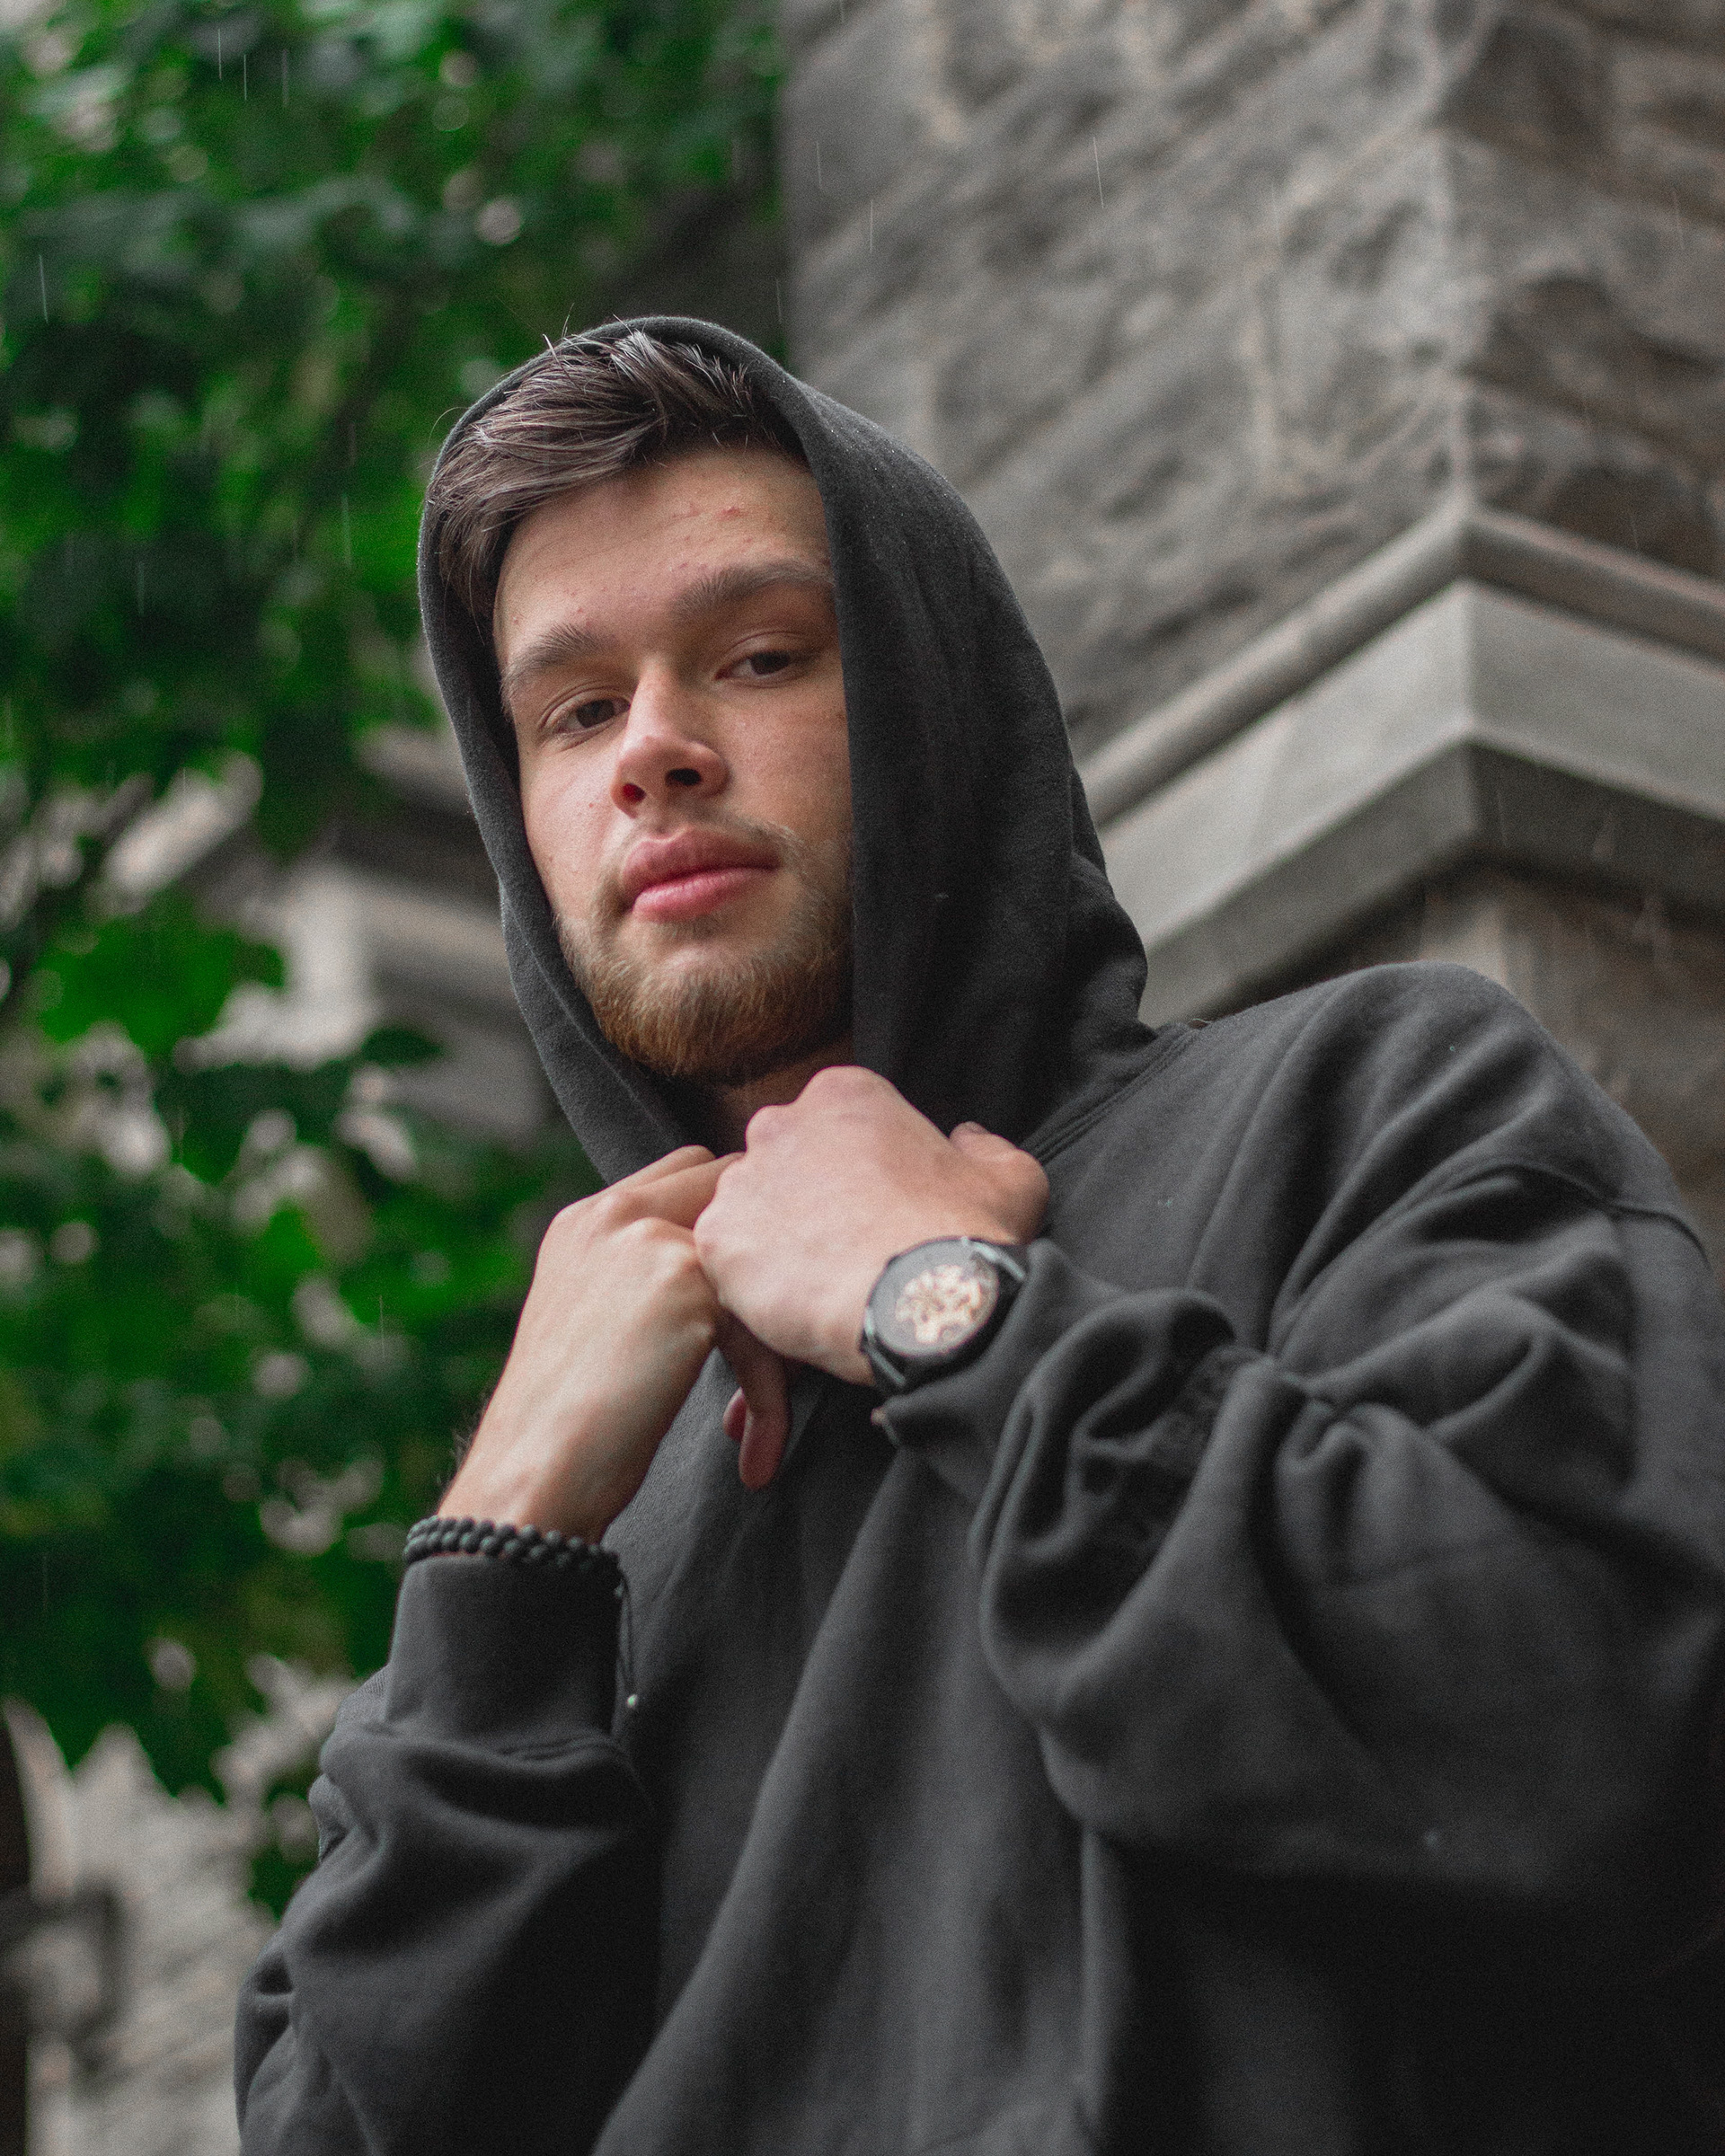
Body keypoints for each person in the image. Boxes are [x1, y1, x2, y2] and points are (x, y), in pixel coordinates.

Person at [234, 320, 1725, 2156]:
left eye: (759, 656)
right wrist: (501, 1543)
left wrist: (950, 1309)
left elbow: (1596, 1740)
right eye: (576, 712)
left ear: (930, 698)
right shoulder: (574, 1504)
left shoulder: (1363, 1105)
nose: (657, 754)